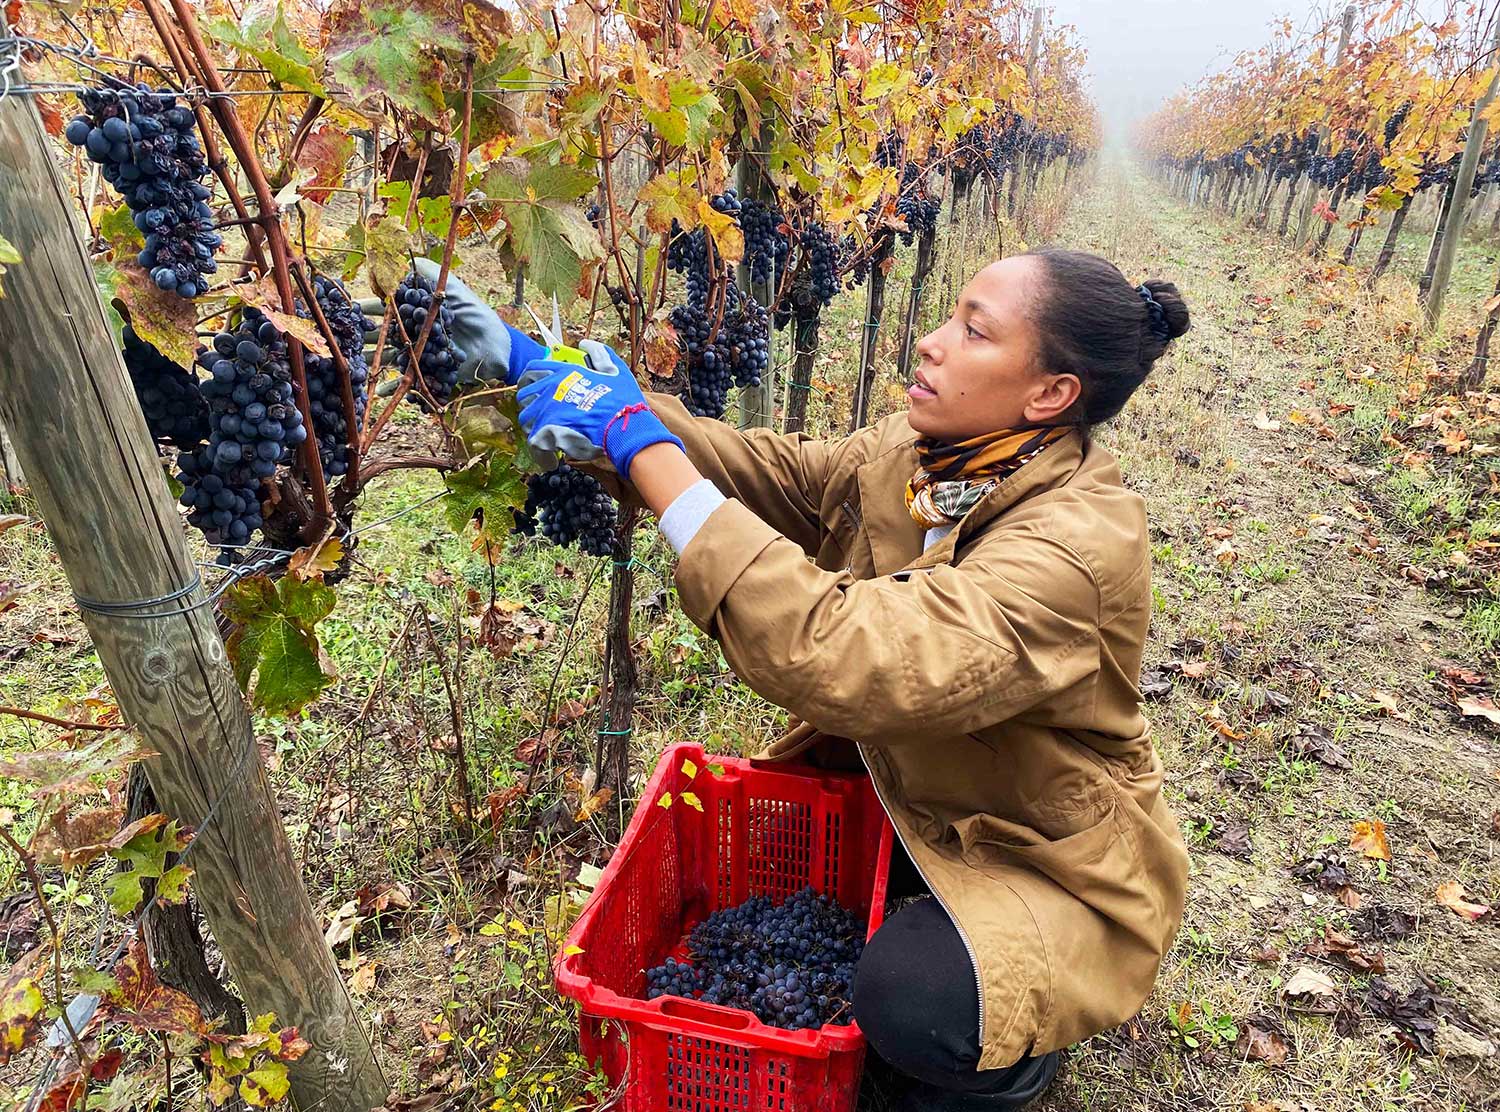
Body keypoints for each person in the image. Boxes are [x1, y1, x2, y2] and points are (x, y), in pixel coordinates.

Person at [422, 247, 1192, 1110]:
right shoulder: (929, 452)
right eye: (949, 315)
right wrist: (553, 373)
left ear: (1051, 395)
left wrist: (641, 446)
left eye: (973, 331)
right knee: (793, 872)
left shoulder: (1076, 548)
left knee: (910, 997)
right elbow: (772, 475)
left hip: (1039, 845)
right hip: (921, 784)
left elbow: (850, 655)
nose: (931, 344)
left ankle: (1006, 1064)